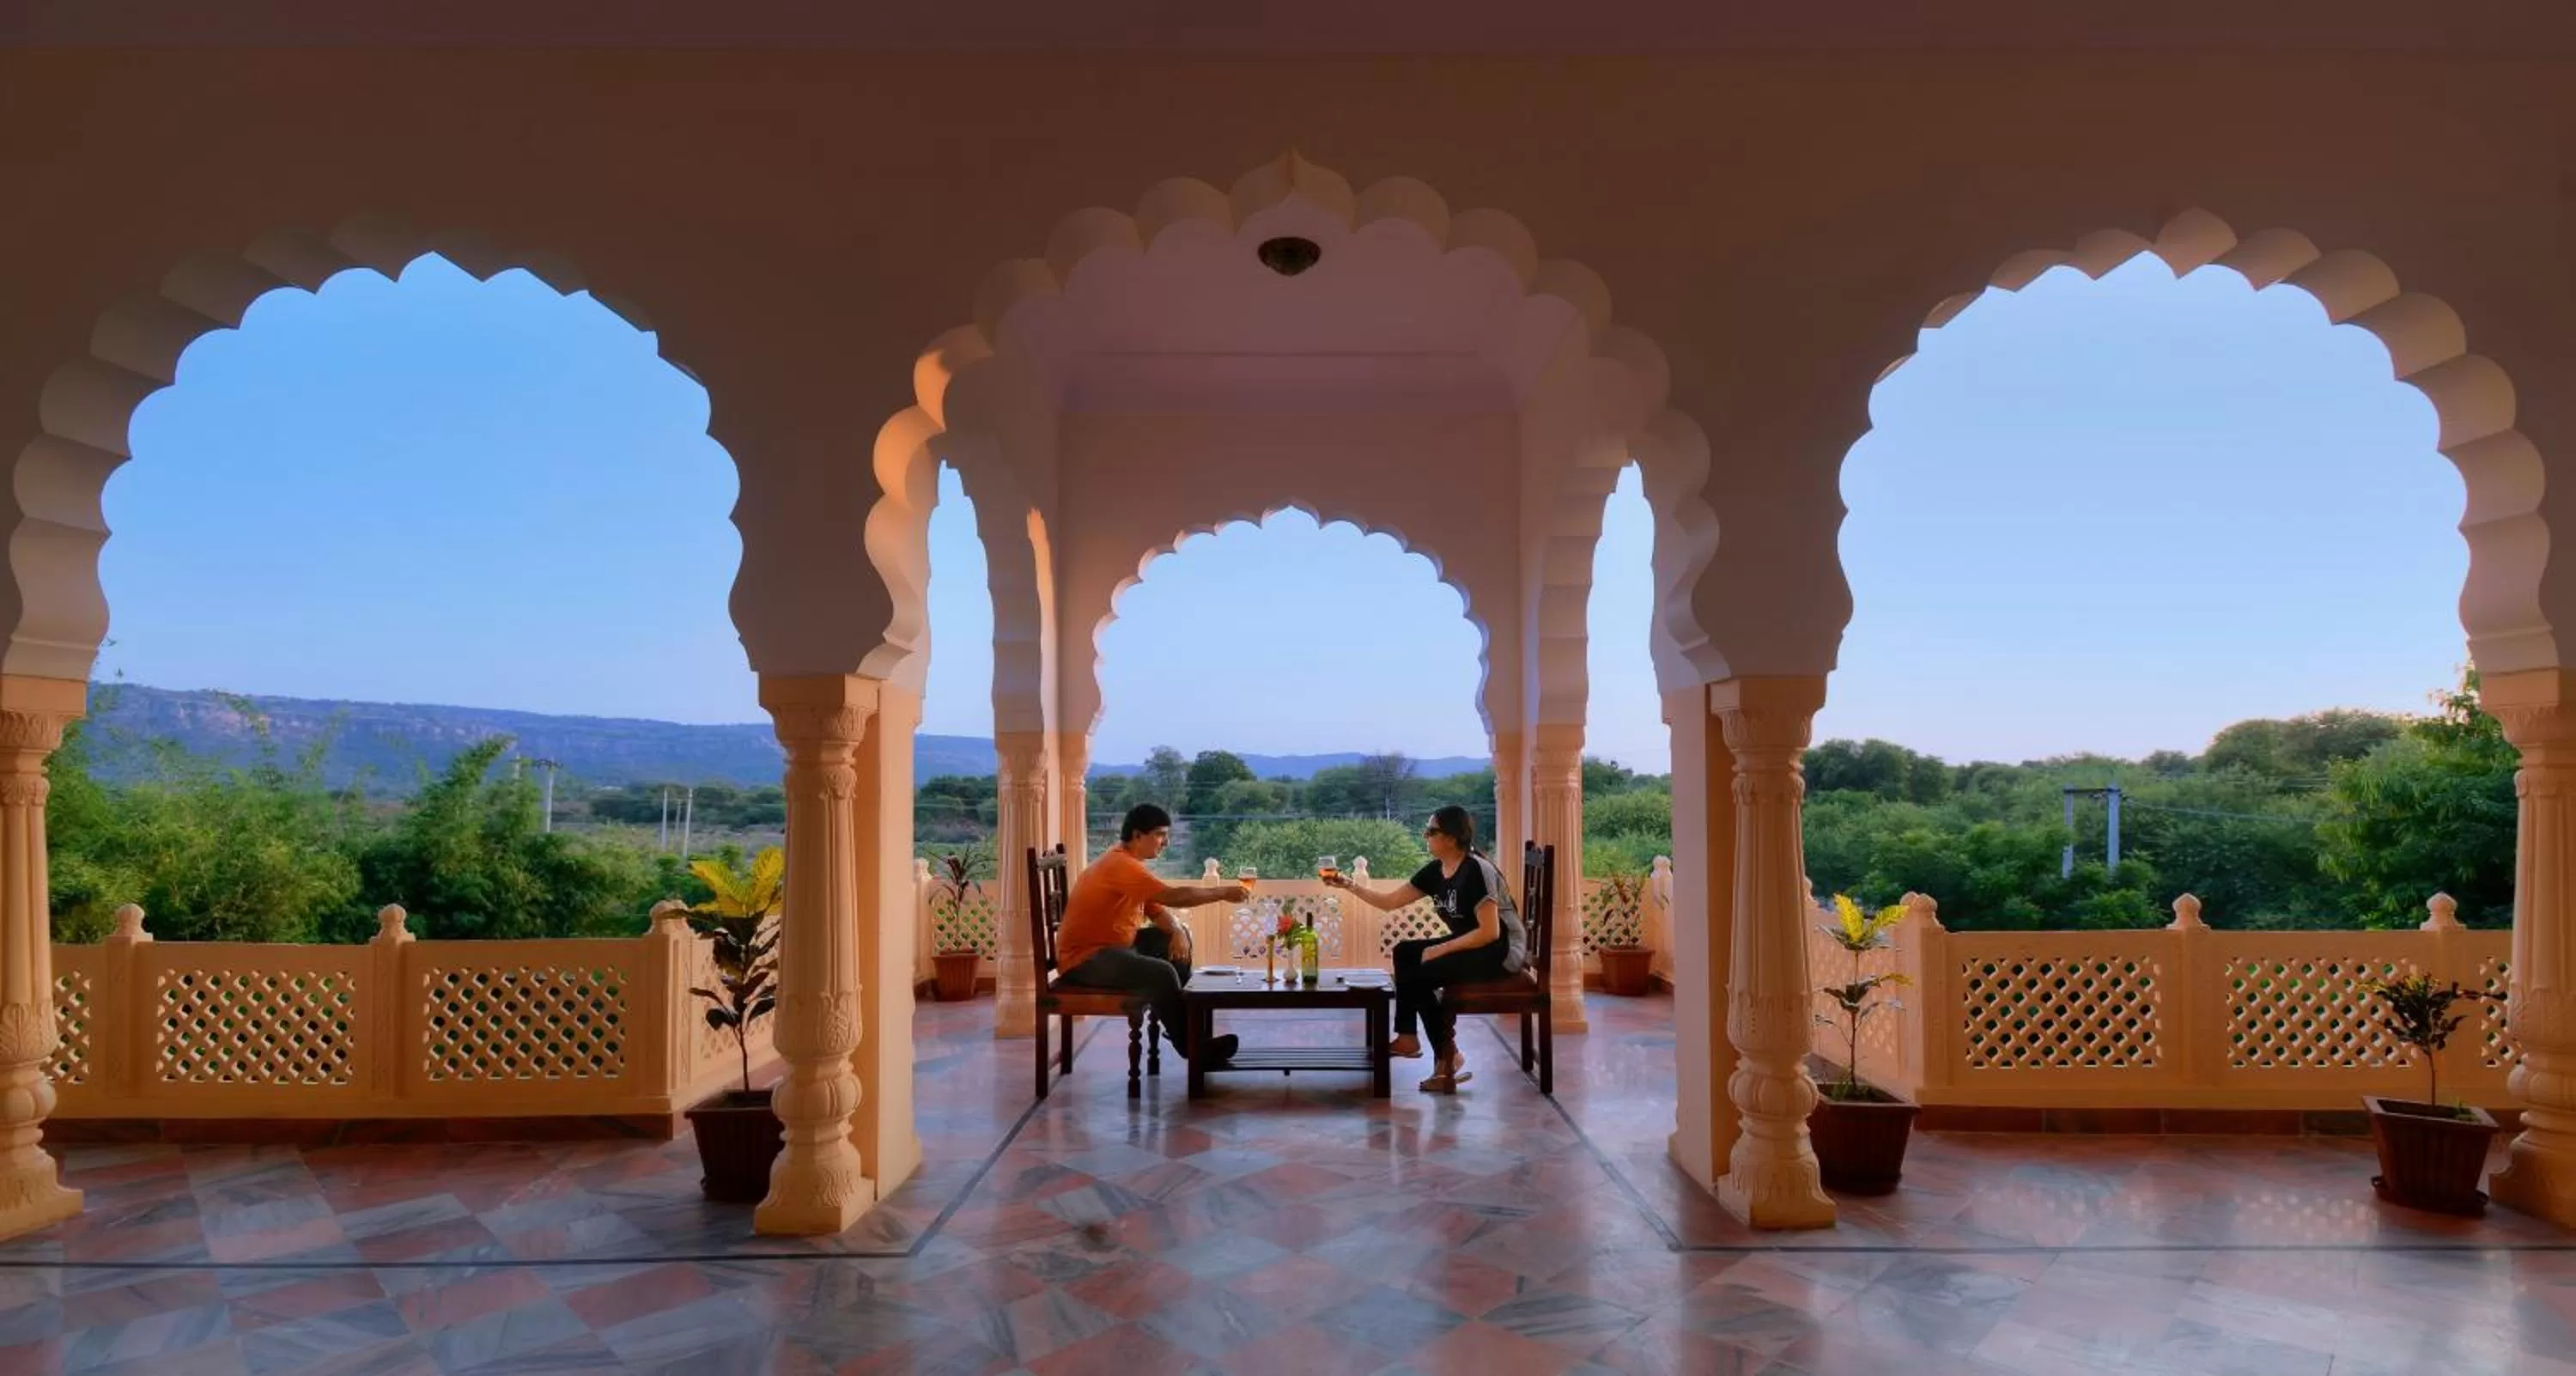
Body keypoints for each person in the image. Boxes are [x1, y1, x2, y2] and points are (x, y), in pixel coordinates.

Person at [1326, 804, 1528, 1093]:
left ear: (1451, 837)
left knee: (1420, 973)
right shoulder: (1437, 870)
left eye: (1431, 831)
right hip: (1476, 944)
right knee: (1405, 952)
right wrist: (1347, 885)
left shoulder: (1477, 871)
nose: (1425, 836)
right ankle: (1410, 1037)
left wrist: (1442, 949)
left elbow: (1490, 932)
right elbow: (1390, 902)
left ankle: (1446, 1056)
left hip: (1501, 950)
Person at [1053, 803, 1246, 1063]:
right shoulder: (1120, 865)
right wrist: (1223, 892)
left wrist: (1177, 930)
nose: (1165, 842)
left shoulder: (1130, 863)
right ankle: (1191, 1046)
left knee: (1171, 940)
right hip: (1085, 960)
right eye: (1159, 834)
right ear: (1137, 835)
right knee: (1161, 973)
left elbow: (1156, 909)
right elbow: (1173, 897)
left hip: (1114, 950)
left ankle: (1184, 1023)